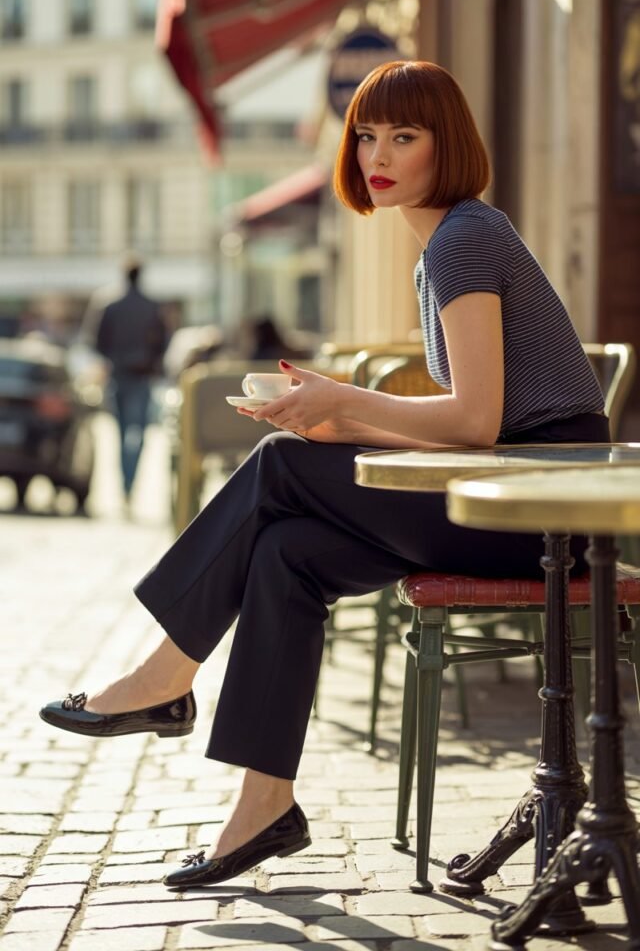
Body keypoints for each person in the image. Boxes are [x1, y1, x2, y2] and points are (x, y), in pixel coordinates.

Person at [40, 61, 608, 890]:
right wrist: (337, 417)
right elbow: (473, 430)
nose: (379, 154)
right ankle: (263, 807)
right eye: (367, 135)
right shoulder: (443, 244)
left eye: (404, 137)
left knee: (278, 469)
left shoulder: (466, 239)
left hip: (541, 515)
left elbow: (477, 422)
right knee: (289, 552)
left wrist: (343, 401)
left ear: (446, 147)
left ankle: (165, 677)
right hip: (506, 494)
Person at [84, 253, 167, 503]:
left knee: (120, 434)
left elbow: (95, 342)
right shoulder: (152, 307)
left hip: (118, 376)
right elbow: (164, 343)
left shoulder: (110, 305)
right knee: (138, 433)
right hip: (142, 377)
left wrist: (115, 358)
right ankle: (131, 484)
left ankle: (125, 485)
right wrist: (150, 360)